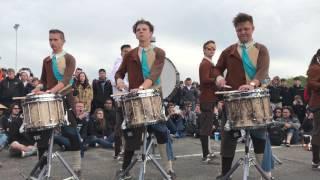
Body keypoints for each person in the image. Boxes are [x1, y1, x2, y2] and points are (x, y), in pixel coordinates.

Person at [115, 19, 175, 179]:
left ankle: (169, 169)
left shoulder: (159, 52)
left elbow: (154, 74)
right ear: (135, 34)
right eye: (138, 30)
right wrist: (119, 80)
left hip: (153, 97)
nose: (140, 31)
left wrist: (141, 88)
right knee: (132, 135)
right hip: (135, 100)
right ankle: (125, 170)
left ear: (150, 33)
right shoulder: (130, 55)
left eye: (144, 29)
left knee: (162, 132)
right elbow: (119, 73)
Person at [215, 13, 272, 179]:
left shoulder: (261, 49)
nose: (243, 32)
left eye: (246, 29)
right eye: (239, 30)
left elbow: (263, 70)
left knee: (259, 135)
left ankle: (265, 174)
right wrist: (218, 77)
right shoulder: (228, 51)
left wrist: (253, 84)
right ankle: (225, 174)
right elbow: (217, 68)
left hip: (255, 97)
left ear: (252, 28)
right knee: (228, 138)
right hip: (233, 99)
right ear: (236, 31)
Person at [30, 29, 82, 177]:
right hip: (49, 101)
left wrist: (50, 91)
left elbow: (66, 81)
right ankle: (43, 168)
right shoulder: (46, 60)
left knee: (71, 133)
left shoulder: (69, 58)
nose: (52, 42)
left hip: (65, 99)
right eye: (50, 40)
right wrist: (38, 88)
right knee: (43, 135)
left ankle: (77, 167)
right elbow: (43, 81)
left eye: (55, 40)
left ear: (63, 41)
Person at [198, 40, 219, 163]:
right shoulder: (205, 63)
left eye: (213, 49)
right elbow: (205, 80)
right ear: (204, 50)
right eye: (209, 48)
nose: (212, 51)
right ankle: (206, 155)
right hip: (207, 99)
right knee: (206, 128)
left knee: (208, 127)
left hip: (209, 98)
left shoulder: (209, 62)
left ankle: (208, 153)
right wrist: (218, 79)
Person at [306, 49, 320, 170]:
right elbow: (311, 83)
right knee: (318, 132)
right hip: (318, 104)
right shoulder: (315, 68)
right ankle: (316, 160)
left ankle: (316, 161)